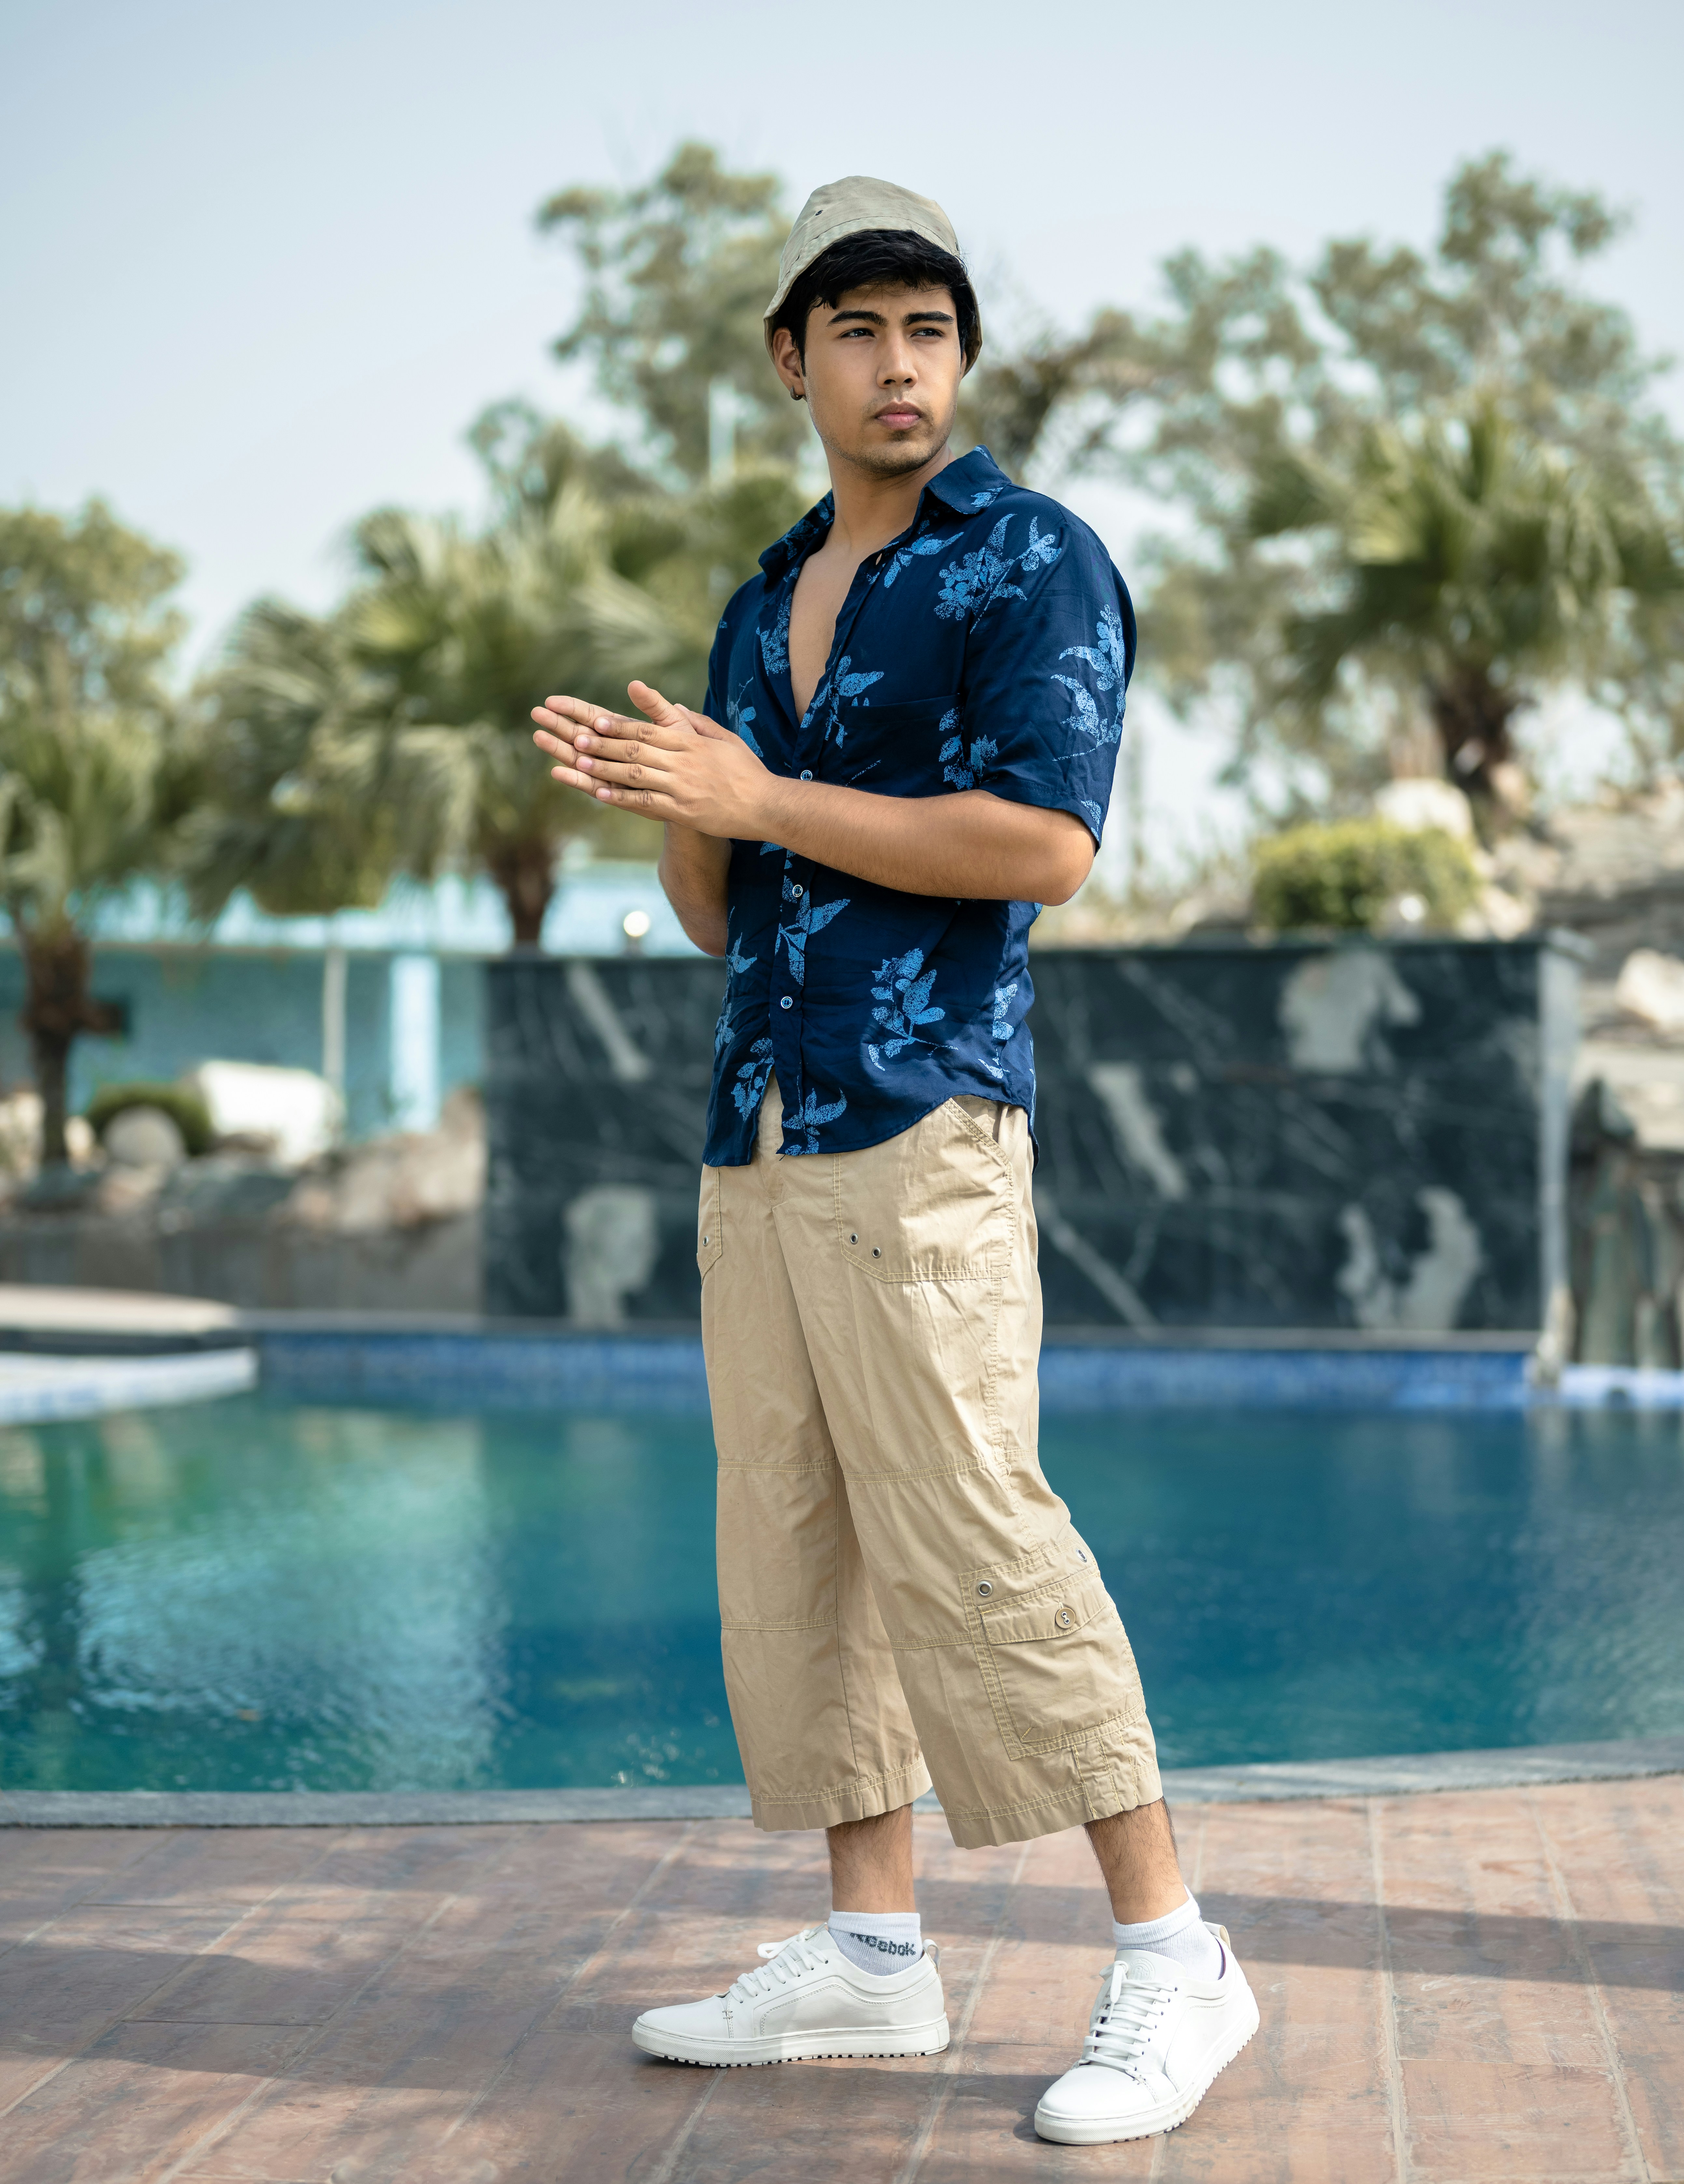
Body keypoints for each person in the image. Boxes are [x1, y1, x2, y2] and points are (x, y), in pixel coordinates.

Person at [531, 174, 1257, 2146]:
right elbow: (717, 907)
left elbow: (1044, 845)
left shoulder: (1031, 561)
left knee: (975, 1528)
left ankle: (1175, 1956)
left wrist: (760, 787)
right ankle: (869, 1953)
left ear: (962, 356)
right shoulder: (765, 596)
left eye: (928, 327)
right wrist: (676, 796)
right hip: (757, 1128)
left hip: (920, 1116)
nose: (898, 362)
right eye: (856, 330)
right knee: (798, 1540)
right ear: (794, 361)